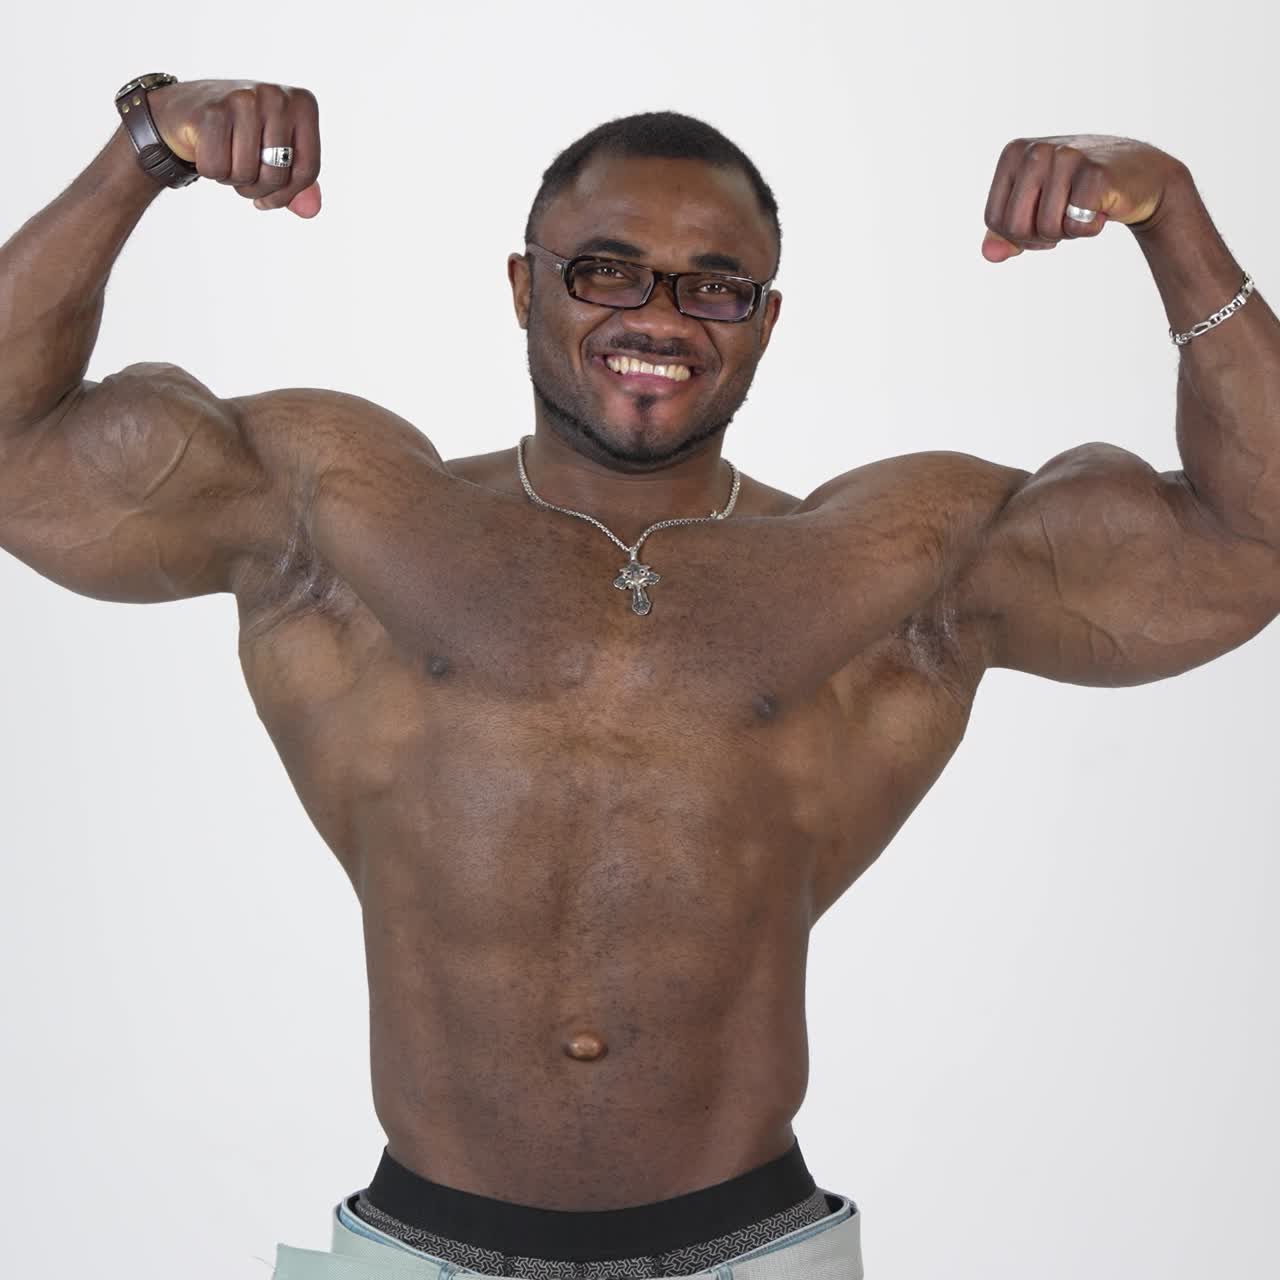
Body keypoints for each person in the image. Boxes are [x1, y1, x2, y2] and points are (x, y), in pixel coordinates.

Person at [1, 75, 1276, 1280]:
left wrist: (1171, 214)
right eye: (606, 270)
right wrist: (144, 149)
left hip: (752, 1242)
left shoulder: (892, 561)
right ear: (523, 286)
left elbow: (1250, 537)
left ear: (766, 319)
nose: (657, 317)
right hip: (416, 1243)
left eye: (715, 287)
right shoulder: (338, 514)